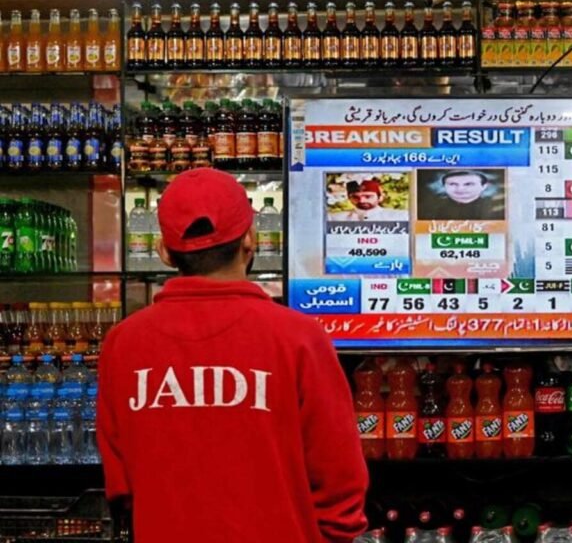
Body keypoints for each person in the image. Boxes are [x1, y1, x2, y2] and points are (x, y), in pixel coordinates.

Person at [98, 168, 369, 543]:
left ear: (162, 251)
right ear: (250, 241)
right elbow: (341, 482)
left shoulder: (122, 344)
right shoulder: (299, 337)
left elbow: (121, 486)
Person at [417, 170, 502, 221]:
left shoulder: (498, 209)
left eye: (468, 184)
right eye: (453, 184)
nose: (460, 189)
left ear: (484, 186)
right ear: (444, 186)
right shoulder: (427, 210)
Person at [328, 178, 406, 221]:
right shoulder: (334, 218)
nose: (362, 200)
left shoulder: (401, 216)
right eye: (355, 197)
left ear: (380, 197)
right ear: (349, 198)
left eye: (368, 196)